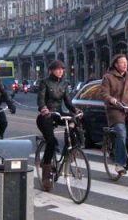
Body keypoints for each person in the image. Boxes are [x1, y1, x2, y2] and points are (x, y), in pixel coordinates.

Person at [36, 60, 83, 192]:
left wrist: (75, 110)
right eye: (58, 69)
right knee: (51, 141)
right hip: (46, 115)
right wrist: (43, 108)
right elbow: (40, 99)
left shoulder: (64, 83)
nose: (60, 71)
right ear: (51, 70)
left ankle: (72, 149)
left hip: (58, 113)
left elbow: (67, 101)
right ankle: (46, 175)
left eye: (62, 69)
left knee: (74, 122)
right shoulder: (44, 82)